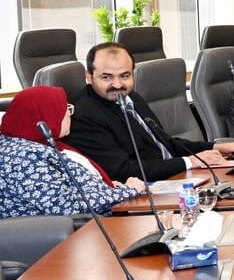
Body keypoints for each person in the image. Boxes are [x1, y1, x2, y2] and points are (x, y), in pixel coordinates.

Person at [67, 42, 234, 184]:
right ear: (89, 76)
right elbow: (122, 171)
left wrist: (214, 147)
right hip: (145, 190)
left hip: (174, 178)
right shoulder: (84, 116)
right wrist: (189, 162)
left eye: (125, 76)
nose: (117, 84)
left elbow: (165, 143)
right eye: (106, 77)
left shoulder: (132, 98)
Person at [1, 86, 143, 218]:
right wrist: (127, 191)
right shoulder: (25, 158)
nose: (70, 113)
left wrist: (103, 187)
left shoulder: (36, 144)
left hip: (94, 219)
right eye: (65, 108)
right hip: (77, 230)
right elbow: (65, 207)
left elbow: (63, 187)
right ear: (46, 116)